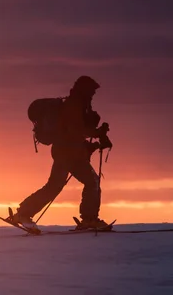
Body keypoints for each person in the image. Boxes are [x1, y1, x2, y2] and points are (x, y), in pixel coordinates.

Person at [10, 76, 112, 232]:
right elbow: (75, 130)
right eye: (92, 90)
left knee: (70, 184)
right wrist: (98, 134)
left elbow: (75, 133)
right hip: (66, 153)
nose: (93, 94)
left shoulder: (80, 105)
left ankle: (23, 213)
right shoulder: (74, 105)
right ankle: (88, 219)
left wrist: (94, 142)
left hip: (70, 152)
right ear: (85, 90)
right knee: (83, 183)